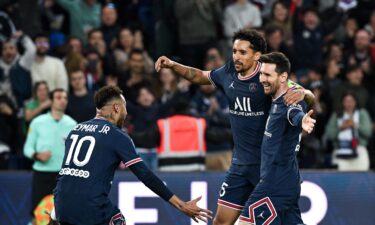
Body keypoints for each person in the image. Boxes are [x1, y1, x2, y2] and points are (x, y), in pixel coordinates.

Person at [155, 28, 314, 225]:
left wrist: (305, 93)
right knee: (221, 222)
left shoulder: (266, 78)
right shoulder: (229, 72)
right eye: (234, 51)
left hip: (265, 167)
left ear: (257, 56)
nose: (236, 57)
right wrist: (172, 65)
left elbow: (296, 93)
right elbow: (200, 76)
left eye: (242, 52)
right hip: (239, 165)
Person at [52, 86, 212, 225]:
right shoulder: (117, 136)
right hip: (90, 207)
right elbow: (145, 175)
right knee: (117, 219)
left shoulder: (76, 130)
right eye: (124, 107)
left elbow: (67, 174)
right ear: (116, 108)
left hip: (61, 205)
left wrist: (55, 212)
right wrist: (181, 205)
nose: (126, 112)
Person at [238, 52, 315, 225]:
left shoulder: (289, 102)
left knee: (244, 223)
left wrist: (302, 120)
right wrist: (306, 92)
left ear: (283, 78)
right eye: (261, 74)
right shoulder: (278, 98)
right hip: (287, 180)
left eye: (267, 75)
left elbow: (294, 113)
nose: (262, 79)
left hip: (275, 183)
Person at [23, 88, 77, 223]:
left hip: (64, 176)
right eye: (59, 97)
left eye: (65, 98)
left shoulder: (73, 124)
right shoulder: (38, 122)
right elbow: (27, 148)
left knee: (64, 214)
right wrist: (36, 155)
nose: (63, 100)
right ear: (51, 101)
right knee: (38, 213)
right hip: (42, 174)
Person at [325, 91, 372, 171]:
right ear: (342, 103)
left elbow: (368, 132)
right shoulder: (336, 115)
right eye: (346, 101)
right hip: (340, 150)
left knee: (361, 178)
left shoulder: (362, 113)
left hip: (359, 150)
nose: (349, 104)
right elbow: (329, 134)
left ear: (355, 102)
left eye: (351, 101)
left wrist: (355, 125)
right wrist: (341, 128)